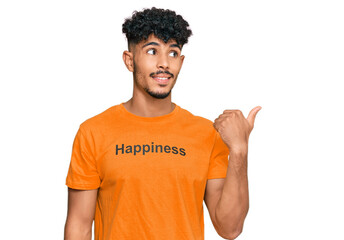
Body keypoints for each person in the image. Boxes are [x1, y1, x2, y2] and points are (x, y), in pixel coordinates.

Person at [63, 7, 261, 240]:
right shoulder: (94, 132)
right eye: (152, 51)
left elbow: (230, 228)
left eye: (173, 53)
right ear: (129, 60)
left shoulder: (206, 134)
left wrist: (239, 150)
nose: (164, 63)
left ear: (181, 62)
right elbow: (79, 226)